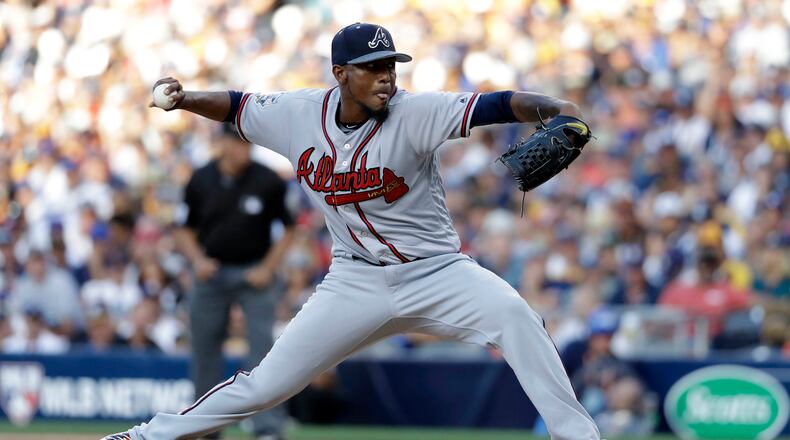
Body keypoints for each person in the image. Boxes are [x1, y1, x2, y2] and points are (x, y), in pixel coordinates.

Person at [103, 23, 599, 440]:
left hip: (438, 273)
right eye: (373, 68)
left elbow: (499, 104)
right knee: (267, 384)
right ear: (340, 74)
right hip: (354, 281)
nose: (386, 78)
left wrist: (558, 107)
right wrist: (186, 98)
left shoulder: (416, 112)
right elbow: (235, 105)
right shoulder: (297, 113)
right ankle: (147, 436)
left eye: (391, 67)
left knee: (516, 316)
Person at [174, 124, 296, 440]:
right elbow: (183, 229)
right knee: (204, 352)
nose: (246, 149)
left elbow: (290, 228)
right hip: (212, 273)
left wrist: (268, 267)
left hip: (253, 274)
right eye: (239, 143)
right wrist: (198, 260)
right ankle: (204, 429)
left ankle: (268, 429)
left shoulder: (268, 180)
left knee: (264, 354)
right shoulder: (201, 178)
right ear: (224, 144)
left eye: (249, 144)